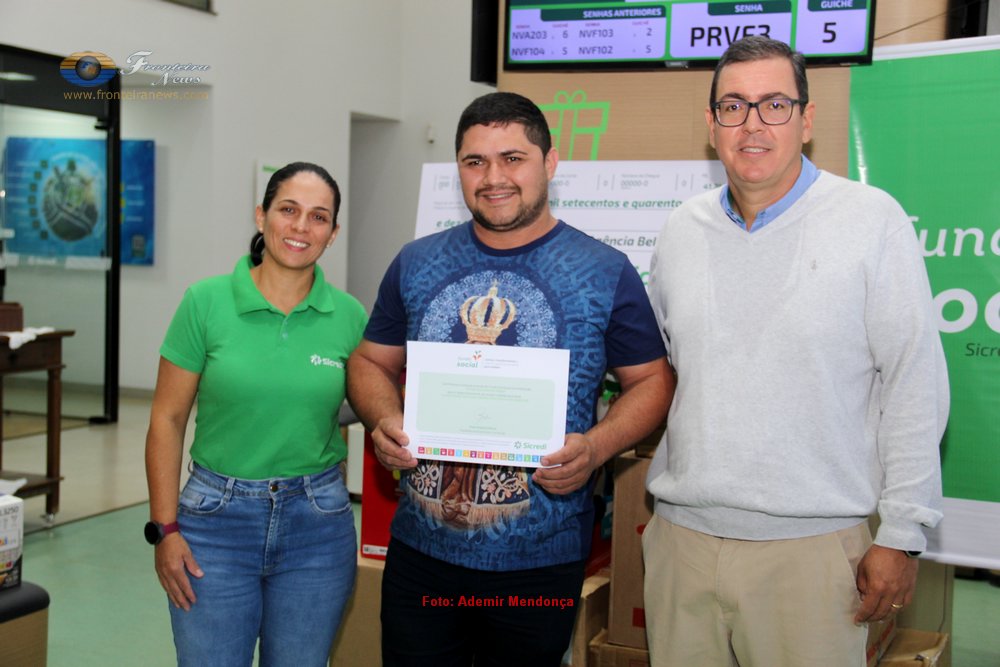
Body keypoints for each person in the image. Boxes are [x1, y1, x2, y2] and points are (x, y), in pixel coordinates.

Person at [642, 36, 949, 666]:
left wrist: (902, 534)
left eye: (774, 105)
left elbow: (914, 380)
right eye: (734, 106)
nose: (752, 124)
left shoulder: (871, 221)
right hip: (682, 544)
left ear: (806, 120)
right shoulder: (679, 231)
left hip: (811, 554)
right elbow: (666, 372)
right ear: (711, 124)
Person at [347, 91, 674, 666]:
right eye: (475, 162)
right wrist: (385, 418)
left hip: (539, 558)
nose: (493, 177)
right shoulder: (417, 261)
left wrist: (595, 448)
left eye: (513, 158)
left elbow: (652, 381)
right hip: (421, 552)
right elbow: (369, 361)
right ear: (459, 171)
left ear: (549, 163)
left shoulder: (603, 271)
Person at [144, 162, 367, 667]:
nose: (300, 227)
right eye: (288, 210)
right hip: (214, 524)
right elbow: (167, 419)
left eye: (318, 217)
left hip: (318, 523)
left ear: (333, 234)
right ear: (261, 215)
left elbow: (374, 405)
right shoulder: (205, 302)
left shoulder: (350, 317)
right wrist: (165, 529)